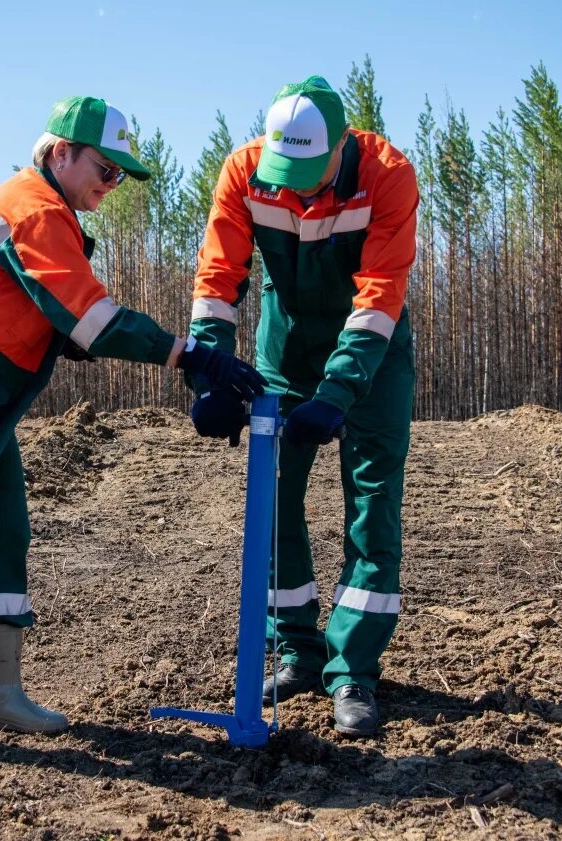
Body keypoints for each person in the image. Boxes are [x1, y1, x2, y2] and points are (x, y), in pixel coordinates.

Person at [0, 96, 266, 746]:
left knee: (4, 525)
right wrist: (191, 353)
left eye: (121, 174)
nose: (111, 182)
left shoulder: (49, 212)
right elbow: (91, 320)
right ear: (60, 152)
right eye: (105, 166)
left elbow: (46, 310)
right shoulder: (34, 208)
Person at [187, 76, 418, 737]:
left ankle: (353, 670)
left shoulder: (388, 176)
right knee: (276, 494)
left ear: (343, 144)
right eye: (288, 175)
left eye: (312, 175)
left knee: (372, 503)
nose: (300, 190)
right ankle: (298, 651)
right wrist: (208, 375)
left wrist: (339, 392)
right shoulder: (244, 172)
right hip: (283, 353)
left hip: (371, 354)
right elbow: (218, 278)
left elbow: (379, 295)